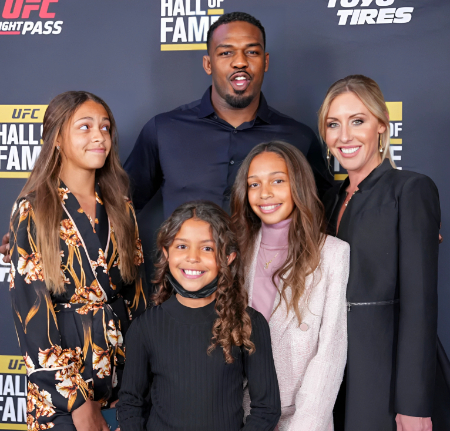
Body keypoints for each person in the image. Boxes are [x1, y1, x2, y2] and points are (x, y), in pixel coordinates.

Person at [8, 91, 148, 431]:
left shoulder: (122, 207)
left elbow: (137, 298)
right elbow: (32, 316)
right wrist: (76, 402)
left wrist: (136, 379)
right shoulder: (34, 210)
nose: (99, 135)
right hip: (63, 392)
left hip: (121, 382)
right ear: (57, 138)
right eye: (84, 127)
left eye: (105, 127)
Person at [319, 75, 446, 431]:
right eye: (333, 124)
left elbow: (420, 304)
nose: (345, 136)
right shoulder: (328, 200)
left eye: (357, 120)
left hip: (386, 375)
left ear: (381, 125)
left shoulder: (410, 189)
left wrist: (414, 403)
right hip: (333, 372)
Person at [123, 11, 333, 219]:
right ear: (208, 64)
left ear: (266, 62)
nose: (240, 62)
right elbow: (119, 207)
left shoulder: (299, 138)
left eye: (252, 52)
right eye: (226, 53)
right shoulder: (163, 130)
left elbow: (321, 218)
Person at [117, 201, 281, 431]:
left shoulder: (250, 324)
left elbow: (267, 408)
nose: (193, 258)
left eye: (207, 248)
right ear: (166, 253)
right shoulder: (145, 327)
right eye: (182, 246)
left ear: (229, 257)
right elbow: (130, 404)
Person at [230, 141, 350, 431]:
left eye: (278, 181)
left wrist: (306, 424)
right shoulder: (235, 251)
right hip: (236, 412)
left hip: (300, 416)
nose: (265, 193)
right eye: (254, 184)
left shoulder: (333, 253)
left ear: (298, 183)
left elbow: (330, 352)